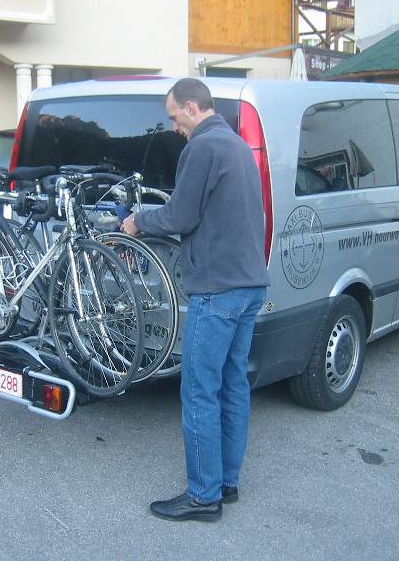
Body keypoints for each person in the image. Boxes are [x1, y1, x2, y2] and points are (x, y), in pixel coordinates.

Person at [121, 78, 270, 522]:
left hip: (217, 289)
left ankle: (203, 497)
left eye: (174, 116)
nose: (174, 126)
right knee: (233, 384)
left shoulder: (202, 148)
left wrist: (136, 222)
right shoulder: (237, 144)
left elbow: (181, 215)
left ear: (191, 106)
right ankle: (226, 481)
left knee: (200, 391)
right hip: (248, 285)